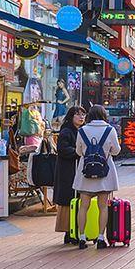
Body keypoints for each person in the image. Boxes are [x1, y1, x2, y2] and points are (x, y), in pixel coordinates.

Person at [73, 105, 121, 250]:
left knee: (84, 206)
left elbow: (79, 151)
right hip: (104, 174)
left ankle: (82, 238)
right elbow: (117, 151)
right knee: (103, 207)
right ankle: (101, 238)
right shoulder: (110, 130)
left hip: (86, 173)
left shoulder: (82, 130)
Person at [53, 106, 87, 243]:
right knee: (69, 200)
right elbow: (62, 149)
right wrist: (78, 152)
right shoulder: (67, 131)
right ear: (71, 116)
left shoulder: (81, 131)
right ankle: (69, 231)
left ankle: (75, 230)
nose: (81, 117)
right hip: (67, 171)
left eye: (83, 115)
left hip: (76, 170)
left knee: (76, 199)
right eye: (78, 115)